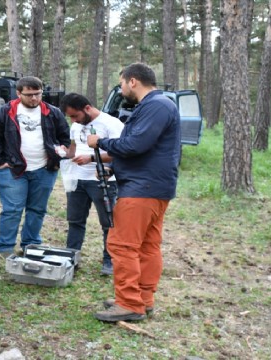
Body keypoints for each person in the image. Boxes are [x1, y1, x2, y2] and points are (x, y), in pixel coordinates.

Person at [87, 63, 181, 322]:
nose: (120, 89)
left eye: (121, 83)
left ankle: (129, 304)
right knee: (148, 246)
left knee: (121, 244)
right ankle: (142, 299)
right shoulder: (155, 107)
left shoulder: (157, 106)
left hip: (143, 189)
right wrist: (112, 169)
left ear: (133, 81)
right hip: (151, 187)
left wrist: (100, 142)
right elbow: (147, 149)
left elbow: (135, 145)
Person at [0, 76, 70, 258]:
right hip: (13, 170)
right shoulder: (5, 112)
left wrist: (58, 157)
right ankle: (5, 246)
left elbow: (64, 137)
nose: (34, 98)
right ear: (18, 93)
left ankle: (31, 244)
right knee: (12, 209)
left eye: (38, 94)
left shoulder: (53, 112)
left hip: (45, 169)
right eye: (29, 95)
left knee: (37, 209)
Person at [57, 92, 124, 275]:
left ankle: (109, 261)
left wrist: (91, 158)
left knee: (108, 223)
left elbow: (119, 152)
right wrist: (65, 152)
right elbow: (74, 149)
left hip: (103, 180)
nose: (73, 121)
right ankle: (72, 258)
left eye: (75, 116)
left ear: (87, 108)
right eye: (70, 117)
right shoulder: (76, 126)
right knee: (75, 220)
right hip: (77, 180)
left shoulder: (112, 124)